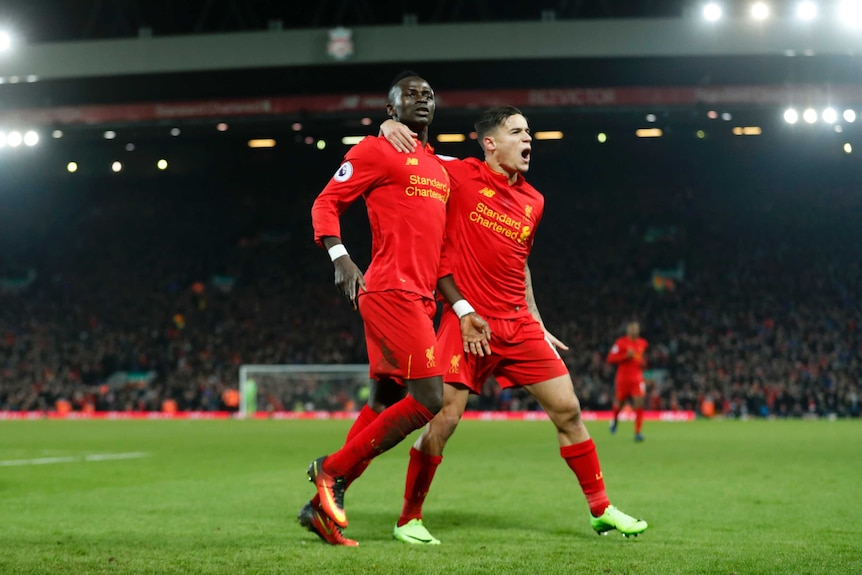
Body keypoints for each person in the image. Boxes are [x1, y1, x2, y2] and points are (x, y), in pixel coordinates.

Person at [379, 106, 648, 545]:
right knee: (443, 419)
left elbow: (520, 266)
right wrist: (388, 126)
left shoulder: (534, 200)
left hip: (518, 323)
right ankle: (409, 517)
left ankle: (601, 510)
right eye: (518, 133)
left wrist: (538, 322)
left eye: (530, 133)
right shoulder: (460, 174)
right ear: (489, 143)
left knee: (569, 409)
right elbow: (411, 156)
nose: (529, 141)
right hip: (468, 321)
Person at [300, 71, 491, 546]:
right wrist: (340, 257)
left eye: (428, 94)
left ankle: (318, 510)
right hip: (389, 293)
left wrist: (461, 306)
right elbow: (325, 204)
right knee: (430, 400)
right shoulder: (374, 149)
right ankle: (330, 471)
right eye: (410, 95)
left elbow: (442, 252)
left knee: (384, 403)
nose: (422, 99)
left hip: (420, 298)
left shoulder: (436, 165)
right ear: (391, 110)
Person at [606, 321, 649, 441]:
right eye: (632, 328)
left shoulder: (643, 343)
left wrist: (643, 363)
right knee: (620, 403)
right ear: (628, 330)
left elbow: (642, 359)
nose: (635, 331)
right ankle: (614, 420)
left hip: (637, 378)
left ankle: (638, 432)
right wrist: (625, 356)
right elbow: (610, 358)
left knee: (639, 403)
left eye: (637, 328)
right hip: (623, 379)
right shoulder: (620, 343)